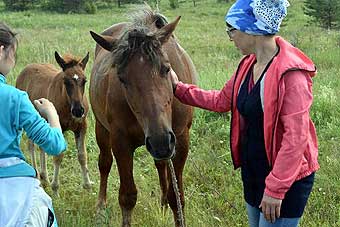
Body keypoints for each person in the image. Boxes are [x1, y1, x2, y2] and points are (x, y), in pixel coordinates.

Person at [170, 0, 319, 226]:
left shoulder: (291, 75)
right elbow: (221, 100)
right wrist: (178, 88)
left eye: (232, 29)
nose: (230, 37)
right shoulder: (249, 64)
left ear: (251, 29)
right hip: (255, 172)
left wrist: (276, 189)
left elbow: (295, 139)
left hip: (285, 179)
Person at [0, 22, 66, 227]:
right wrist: (51, 114)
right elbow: (55, 145)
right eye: (14, 53)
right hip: (16, 196)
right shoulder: (15, 98)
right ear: (1, 51)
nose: (13, 59)